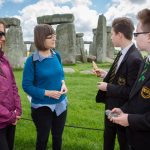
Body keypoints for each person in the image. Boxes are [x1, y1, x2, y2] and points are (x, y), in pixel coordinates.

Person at [94, 17, 143, 150]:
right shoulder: (122, 53)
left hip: (123, 110)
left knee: (124, 143)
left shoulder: (135, 59)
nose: (110, 38)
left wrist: (108, 87)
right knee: (108, 139)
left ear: (120, 35)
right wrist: (105, 74)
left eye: (112, 34)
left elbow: (132, 91)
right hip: (111, 106)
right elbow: (122, 77)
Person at [109, 8, 150, 150]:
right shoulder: (146, 61)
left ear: (149, 37)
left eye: (136, 34)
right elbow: (137, 96)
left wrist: (129, 119)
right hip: (137, 139)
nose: (134, 37)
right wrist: (124, 111)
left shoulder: (137, 59)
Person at [22, 24, 68, 150]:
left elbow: (61, 75)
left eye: (54, 36)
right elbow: (26, 86)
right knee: (42, 140)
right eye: (50, 37)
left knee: (58, 137)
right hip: (42, 107)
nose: (54, 39)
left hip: (61, 104)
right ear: (41, 38)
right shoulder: (31, 61)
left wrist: (63, 84)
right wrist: (47, 93)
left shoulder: (57, 55)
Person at [0, 20, 22, 150]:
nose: (3, 38)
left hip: (10, 121)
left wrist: (17, 109)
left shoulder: (4, 60)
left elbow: (13, 85)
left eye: (3, 34)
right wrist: (10, 116)